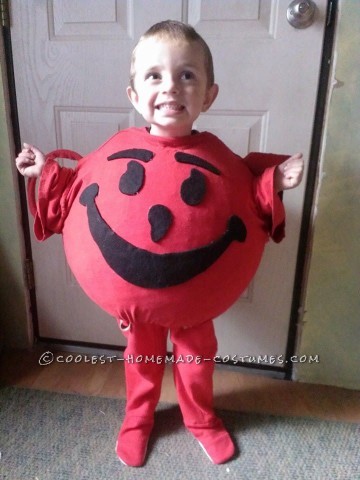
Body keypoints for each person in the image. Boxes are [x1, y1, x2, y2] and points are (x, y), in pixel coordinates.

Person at [16, 20, 304, 467]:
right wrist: (44, 172)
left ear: (208, 94)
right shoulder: (116, 148)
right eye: (155, 76)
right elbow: (78, 190)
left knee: (197, 357)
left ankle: (201, 418)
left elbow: (250, 197)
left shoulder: (219, 156)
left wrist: (275, 181)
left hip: (194, 300)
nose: (171, 86)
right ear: (133, 95)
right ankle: (138, 419)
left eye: (187, 75)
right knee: (142, 357)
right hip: (139, 303)